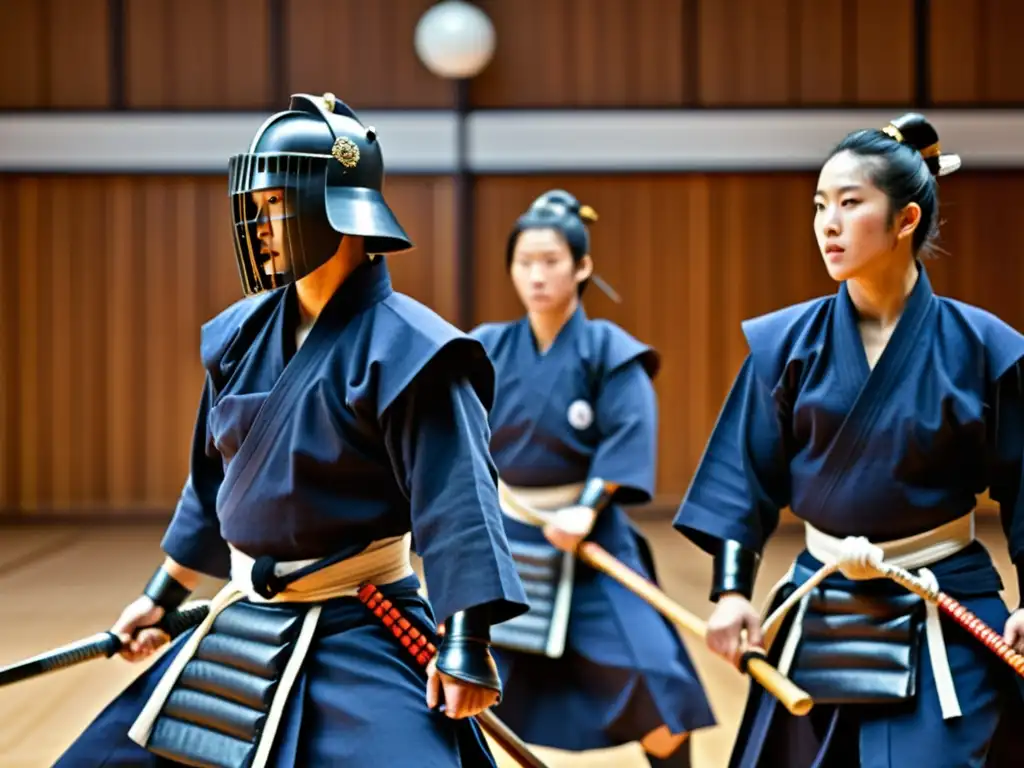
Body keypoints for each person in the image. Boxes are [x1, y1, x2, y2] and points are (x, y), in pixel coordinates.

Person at [53, 92, 529, 768]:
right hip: (243, 620)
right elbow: (213, 485)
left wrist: (466, 643)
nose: (261, 225)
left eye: (278, 204)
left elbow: (460, 505)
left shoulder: (414, 352)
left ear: (337, 209)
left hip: (361, 620)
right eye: (259, 206)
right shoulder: (237, 335)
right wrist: (160, 598)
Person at [673, 112, 1024, 767]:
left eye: (849, 203)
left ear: (905, 220)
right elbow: (739, 478)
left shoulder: (982, 347)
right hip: (823, 595)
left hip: (943, 596)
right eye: (820, 205)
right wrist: (729, 595)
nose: (827, 223)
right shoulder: (786, 346)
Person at [470, 190, 716, 767]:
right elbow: (455, 433)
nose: (536, 275)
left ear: (582, 267)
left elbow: (628, 430)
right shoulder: (484, 347)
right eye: (524, 261)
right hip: (509, 545)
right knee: (465, 685)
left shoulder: (610, 350)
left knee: (656, 683)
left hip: (592, 537)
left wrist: (587, 505)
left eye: (551, 261)